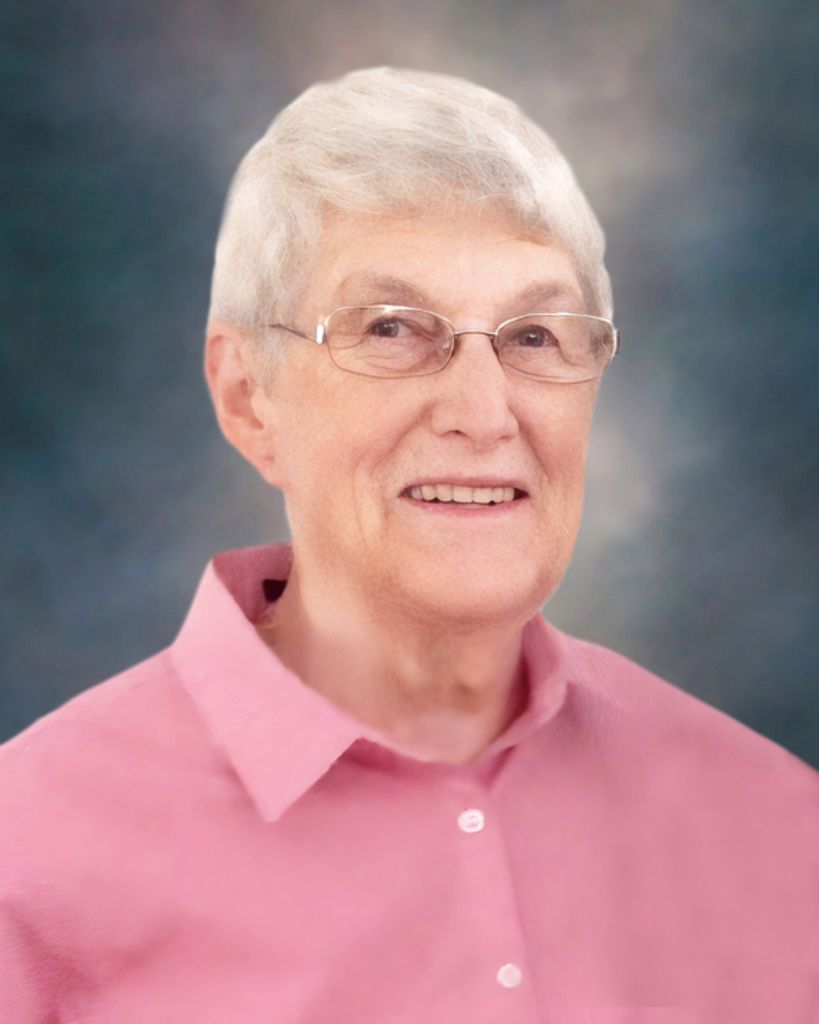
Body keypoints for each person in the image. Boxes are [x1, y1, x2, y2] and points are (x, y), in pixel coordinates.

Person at [1, 68, 816, 1024]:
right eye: (390, 328)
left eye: (534, 336)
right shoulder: (31, 856)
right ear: (249, 398)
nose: (482, 412)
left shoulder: (772, 825)